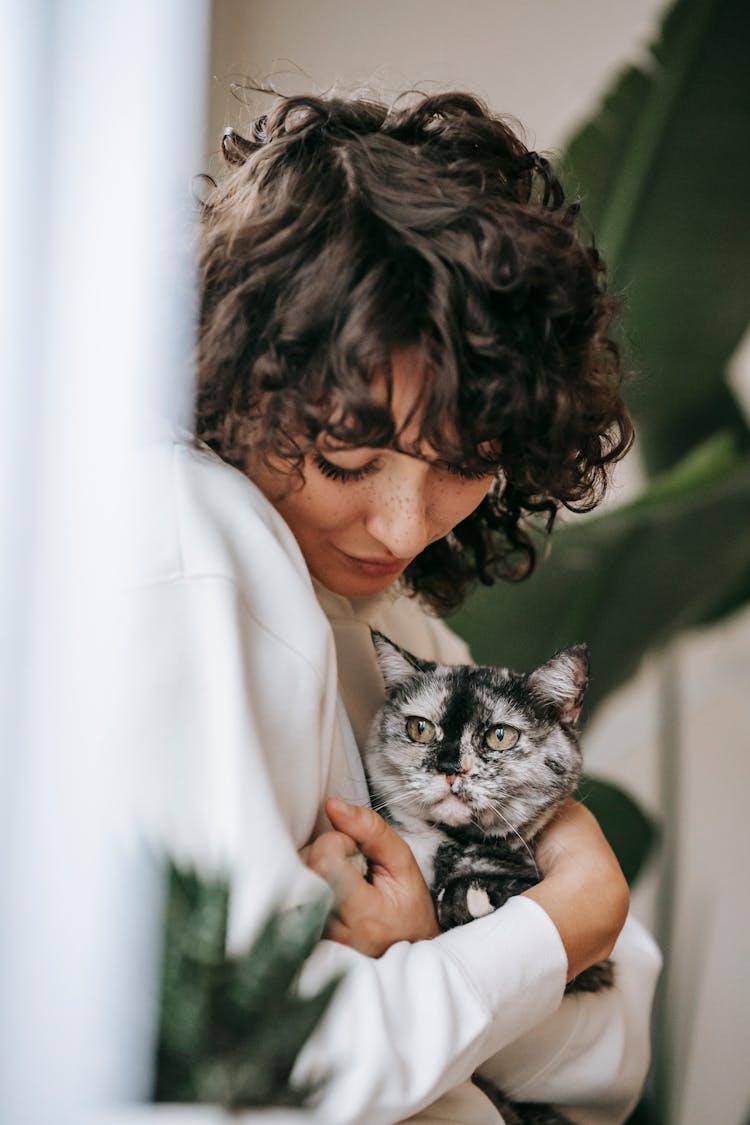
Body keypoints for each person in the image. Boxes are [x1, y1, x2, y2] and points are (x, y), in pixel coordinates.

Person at [135, 90, 661, 1124]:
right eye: (346, 458)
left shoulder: (399, 633)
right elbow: (287, 1066)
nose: (402, 525)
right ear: (233, 383)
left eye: (466, 463)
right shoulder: (185, 542)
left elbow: (617, 1051)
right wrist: (561, 921)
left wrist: (436, 952)